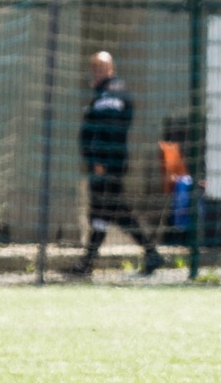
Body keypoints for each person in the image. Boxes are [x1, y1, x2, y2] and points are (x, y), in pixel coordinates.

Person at [69, 51, 165, 277]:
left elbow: (109, 130)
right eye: (93, 68)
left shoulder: (112, 94)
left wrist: (101, 160)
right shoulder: (100, 94)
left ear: (110, 69)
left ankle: (88, 262)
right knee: (113, 212)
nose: (95, 73)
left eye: (100, 68)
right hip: (100, 164)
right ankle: (151, 253)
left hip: (108, 165)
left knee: (104, 211)